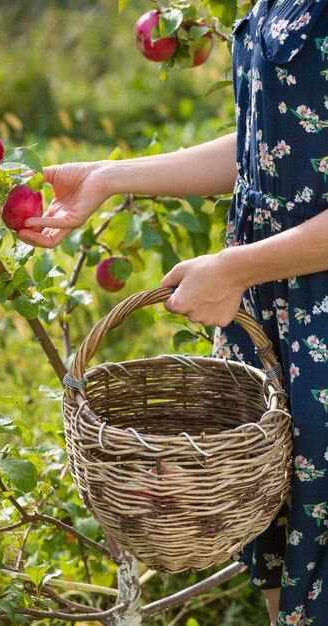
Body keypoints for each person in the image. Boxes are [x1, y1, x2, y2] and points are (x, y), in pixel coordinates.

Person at [19, 1, 328, 624]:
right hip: (272, 312)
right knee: (284, 550)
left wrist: (236, 269)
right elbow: (268, 144)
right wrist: (110, 177)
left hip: (313, 310)